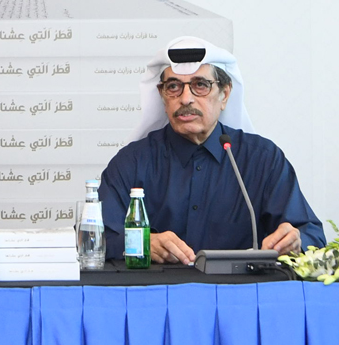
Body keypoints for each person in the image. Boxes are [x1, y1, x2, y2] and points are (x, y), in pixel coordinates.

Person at [99, 36, 325, 264]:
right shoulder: (133, 162)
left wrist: (296, 240)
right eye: (174, 87)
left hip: (240, 295)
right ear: (162, 95)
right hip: (158, 294)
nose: (186, 99)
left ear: (225, 95)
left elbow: (312, 234)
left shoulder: (262, 160)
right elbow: (98, 236)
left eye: (200, 85)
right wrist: (141, 244)